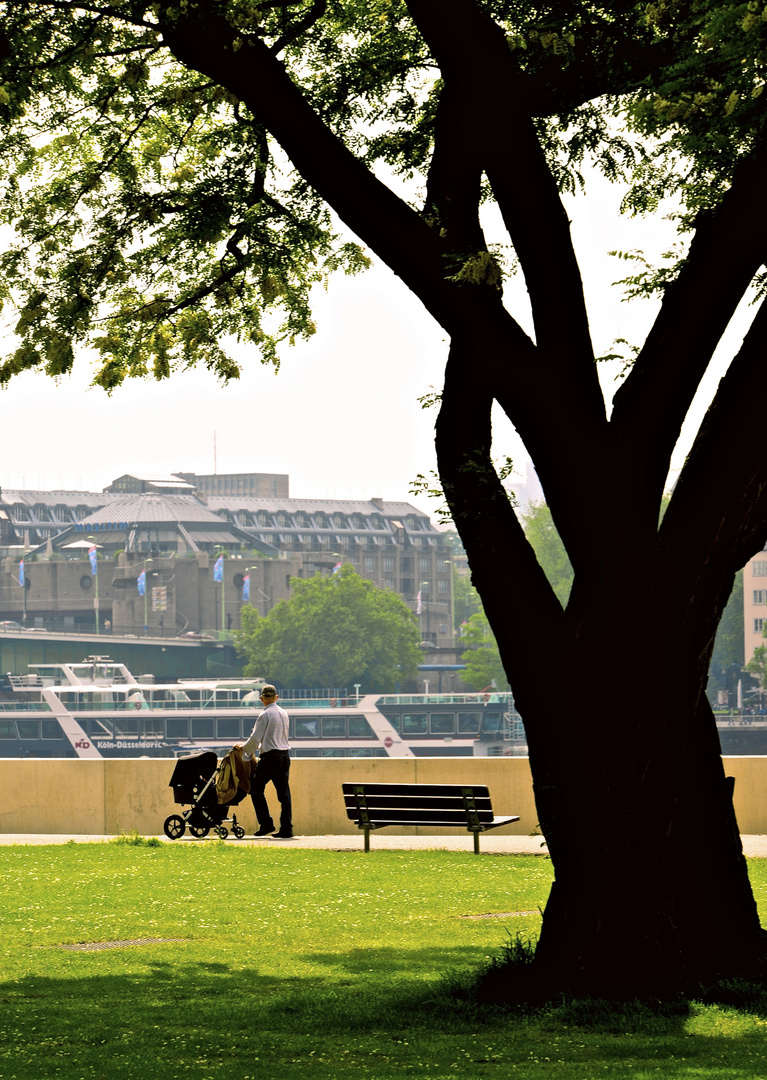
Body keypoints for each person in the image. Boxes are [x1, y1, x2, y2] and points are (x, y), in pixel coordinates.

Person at [238, 684, 293, 839]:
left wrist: (243, 750)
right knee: (284, 794)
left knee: (255, 789)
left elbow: (255, 739)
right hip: (285, 756)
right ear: (276, 697)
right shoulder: (284, 713)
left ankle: (266, 824)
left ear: (262, 699)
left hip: (270, 758)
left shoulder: (265, 715)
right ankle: (286, 828)